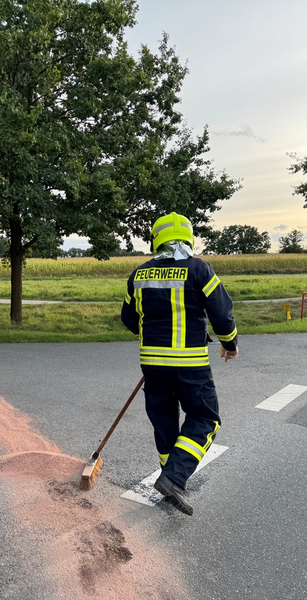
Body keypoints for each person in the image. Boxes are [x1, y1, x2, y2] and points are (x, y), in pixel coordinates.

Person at [120, 212, 238, 516]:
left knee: (164, 421)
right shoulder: (199, 270)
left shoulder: (139, 275)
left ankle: (167, 475)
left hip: (153, 366)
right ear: (188, 239)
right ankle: (173, 478)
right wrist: (229, 342)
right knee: (205, 419)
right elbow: (221, 311)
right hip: (190, 365)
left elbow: (129, 319)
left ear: (156, 239)